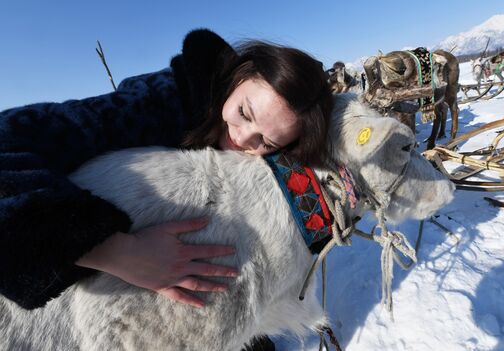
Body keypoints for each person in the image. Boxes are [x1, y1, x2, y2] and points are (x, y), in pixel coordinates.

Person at [0, 28, 333, 349]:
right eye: (244, 112)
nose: (243, 138)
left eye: (267, 141)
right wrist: (119, 252)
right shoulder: (152, 105)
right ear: (241, 73)